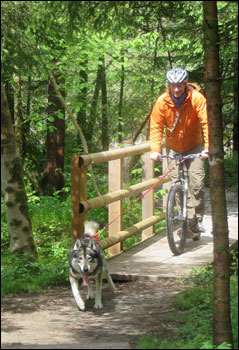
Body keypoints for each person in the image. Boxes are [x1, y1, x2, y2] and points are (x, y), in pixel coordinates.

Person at [150, 68, 209, 234]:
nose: (176, 89)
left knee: (197, 184)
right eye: (172, 86)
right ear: (168, 86)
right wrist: (155, 150)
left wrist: (207, 147)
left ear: (185, 84)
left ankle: (196, 221)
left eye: (180, 85)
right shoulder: (162, 101)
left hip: (194, 144)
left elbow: (206, 123)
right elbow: (156, 127)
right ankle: (186, 223)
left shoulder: (196, 98)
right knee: (177, 183)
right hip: (173, 147)